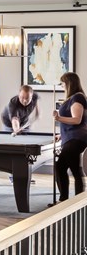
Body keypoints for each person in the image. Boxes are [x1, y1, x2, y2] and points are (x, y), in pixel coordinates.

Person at [52, 71, 87, 201]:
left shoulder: (77, 98)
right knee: (74, 170)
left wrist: (59, 118)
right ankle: (74, 201)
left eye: (63, 83)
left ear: (69, 83)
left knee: (61, 166)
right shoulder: (75, 97)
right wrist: (61, 135)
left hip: (76, 139)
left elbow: (77, 120)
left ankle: (65, 200)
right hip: (72, 138)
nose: (61, 86)